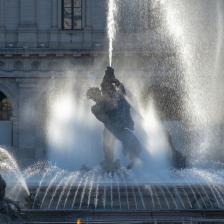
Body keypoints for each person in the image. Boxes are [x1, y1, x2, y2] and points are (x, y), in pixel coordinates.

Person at [87, 67, 141, 170]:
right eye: (96, 93)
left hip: (121, 126)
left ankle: (131, 162)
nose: (99, 92)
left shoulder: (107, 96)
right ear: (93, 98)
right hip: (113, 129)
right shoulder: (95, 108)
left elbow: (115, 90)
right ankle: (109, 163)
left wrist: (113, 79)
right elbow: (107, 114)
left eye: (98, 91)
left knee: (135, 145)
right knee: (108, 144)